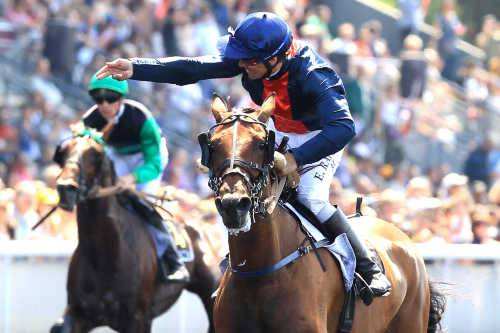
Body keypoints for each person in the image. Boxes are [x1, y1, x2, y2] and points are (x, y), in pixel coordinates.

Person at [97, 12, 391, 298]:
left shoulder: (315, 75)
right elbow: (193, 69)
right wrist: (136, 68)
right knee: (243, 186)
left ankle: (367, 265)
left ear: (275, 58)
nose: (241, 64)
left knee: (309, 196)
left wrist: (295, 159)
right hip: (280, 129)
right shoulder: (255, 60)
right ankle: (240, 262)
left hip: (320, 137)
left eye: (248, 60)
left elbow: (343, 128)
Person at [80, 73, 189, 282]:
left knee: (143, 201)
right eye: (98, 99)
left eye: (110, 98)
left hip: (147, 158)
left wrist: (134, 177)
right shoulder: (90, 121)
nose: (104, 105)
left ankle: (172, 258)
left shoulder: (140, 117)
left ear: (120, 99)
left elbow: (154, 163)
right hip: (116, 155)